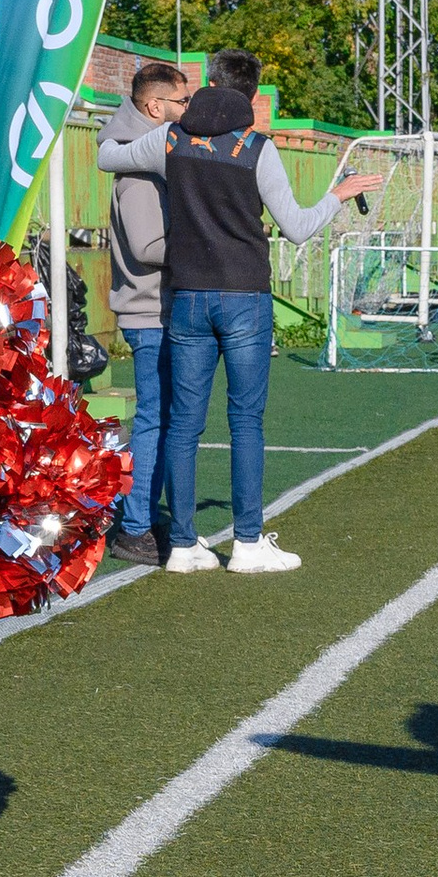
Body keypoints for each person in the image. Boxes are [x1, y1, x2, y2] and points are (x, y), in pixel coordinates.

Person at [97, 52, 382, 577]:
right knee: (245, 420)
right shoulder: (257, 148)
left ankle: (182, 545)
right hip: (245, 297)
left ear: (207, 85)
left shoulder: (170, 140)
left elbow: (107, 158)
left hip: (185, 299)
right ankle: (248, 543)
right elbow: (296, 226)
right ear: (251, 98)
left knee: (182, 423)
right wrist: (337, 196)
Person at [99, 59, 188, 565]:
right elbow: (149, 245)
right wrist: (208, 243)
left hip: (158, 311)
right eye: (181, 103)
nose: (187, 111)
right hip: (149, 314)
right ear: (155, 108)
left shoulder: (144, 155)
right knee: (155, 419)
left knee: (165, 417)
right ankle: (134, 525)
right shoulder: (136, 169)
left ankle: (139, 516)